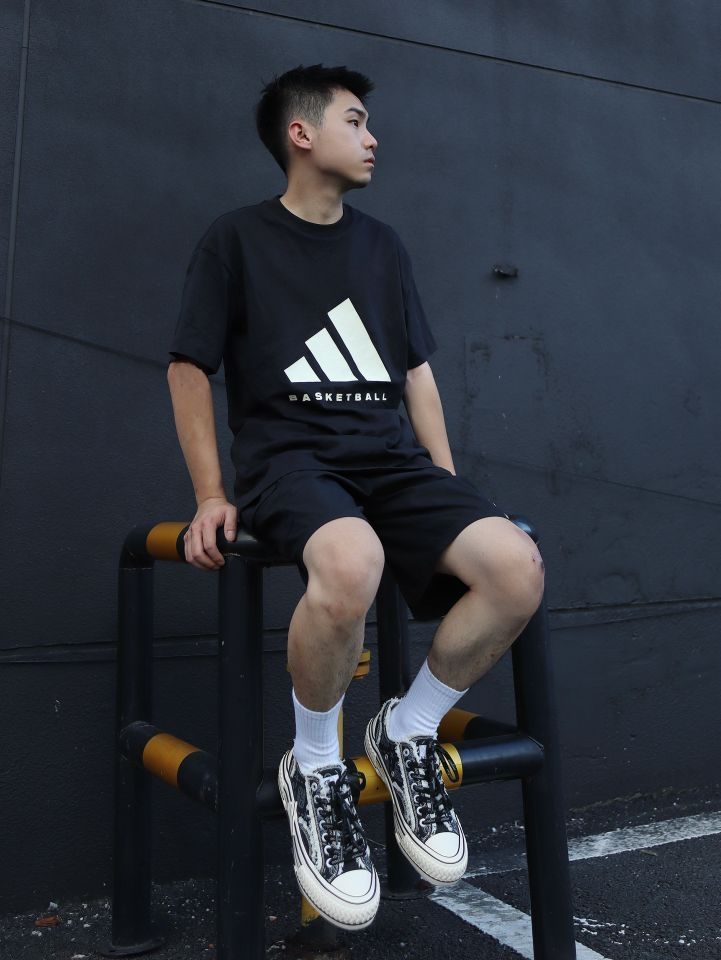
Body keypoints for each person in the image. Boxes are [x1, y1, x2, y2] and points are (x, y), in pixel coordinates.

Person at [166, 63, 545, 932]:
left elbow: (415, 374)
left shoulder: (383, 245)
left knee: (514, 566)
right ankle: (314, 767)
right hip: (291, 462)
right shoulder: (235, 240)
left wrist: (446, 485)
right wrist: (210, 494)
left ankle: (408, 731)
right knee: (351, 561)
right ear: (301, 134)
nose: (373, 138)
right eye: (355, 120)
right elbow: (188, 367)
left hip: (391, 462)